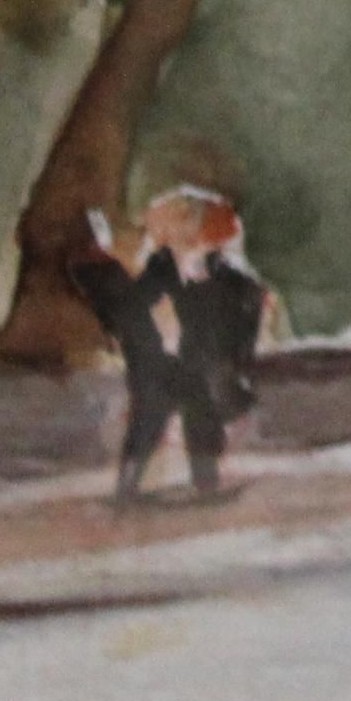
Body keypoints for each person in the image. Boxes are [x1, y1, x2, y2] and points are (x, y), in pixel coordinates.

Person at [68, 186, 270, 503]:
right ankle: (131, 488)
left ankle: (204, 482)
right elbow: (136, 305)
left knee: (198, 409)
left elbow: (240, 313)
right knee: (154, 413)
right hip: (159, 361)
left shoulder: (224, 274)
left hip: (196, 362)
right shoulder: (162, 266)